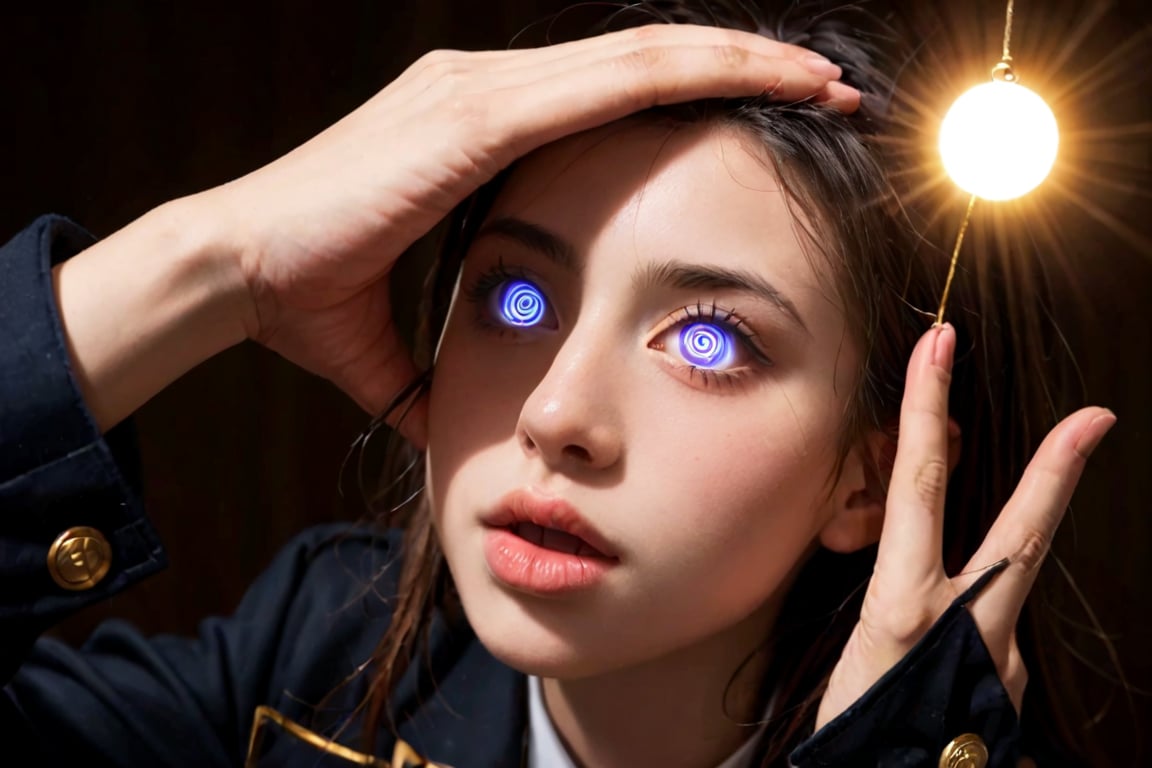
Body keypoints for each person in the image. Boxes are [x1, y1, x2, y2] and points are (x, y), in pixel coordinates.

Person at [0, 1, 1116, 766]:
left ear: (869, 483)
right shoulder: (314, 659)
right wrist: (211, 257)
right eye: (517, 302)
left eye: (712, 342)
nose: (555, 416)